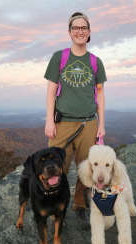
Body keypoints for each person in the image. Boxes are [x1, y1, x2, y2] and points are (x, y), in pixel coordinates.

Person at [44, 12, 107, 230]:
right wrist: (49, 121)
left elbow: (100, 95)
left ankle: (80, 206)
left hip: (88, 124)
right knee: (54, 167)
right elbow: (51, 91)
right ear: (69, 32)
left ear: (89, 32)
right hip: (62, 124)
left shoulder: (95, 62)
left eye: (84, 28)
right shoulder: (59, 57)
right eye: (75, 28)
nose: (80, 31)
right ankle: (54, 208)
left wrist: (101, 124)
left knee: (85, 170)